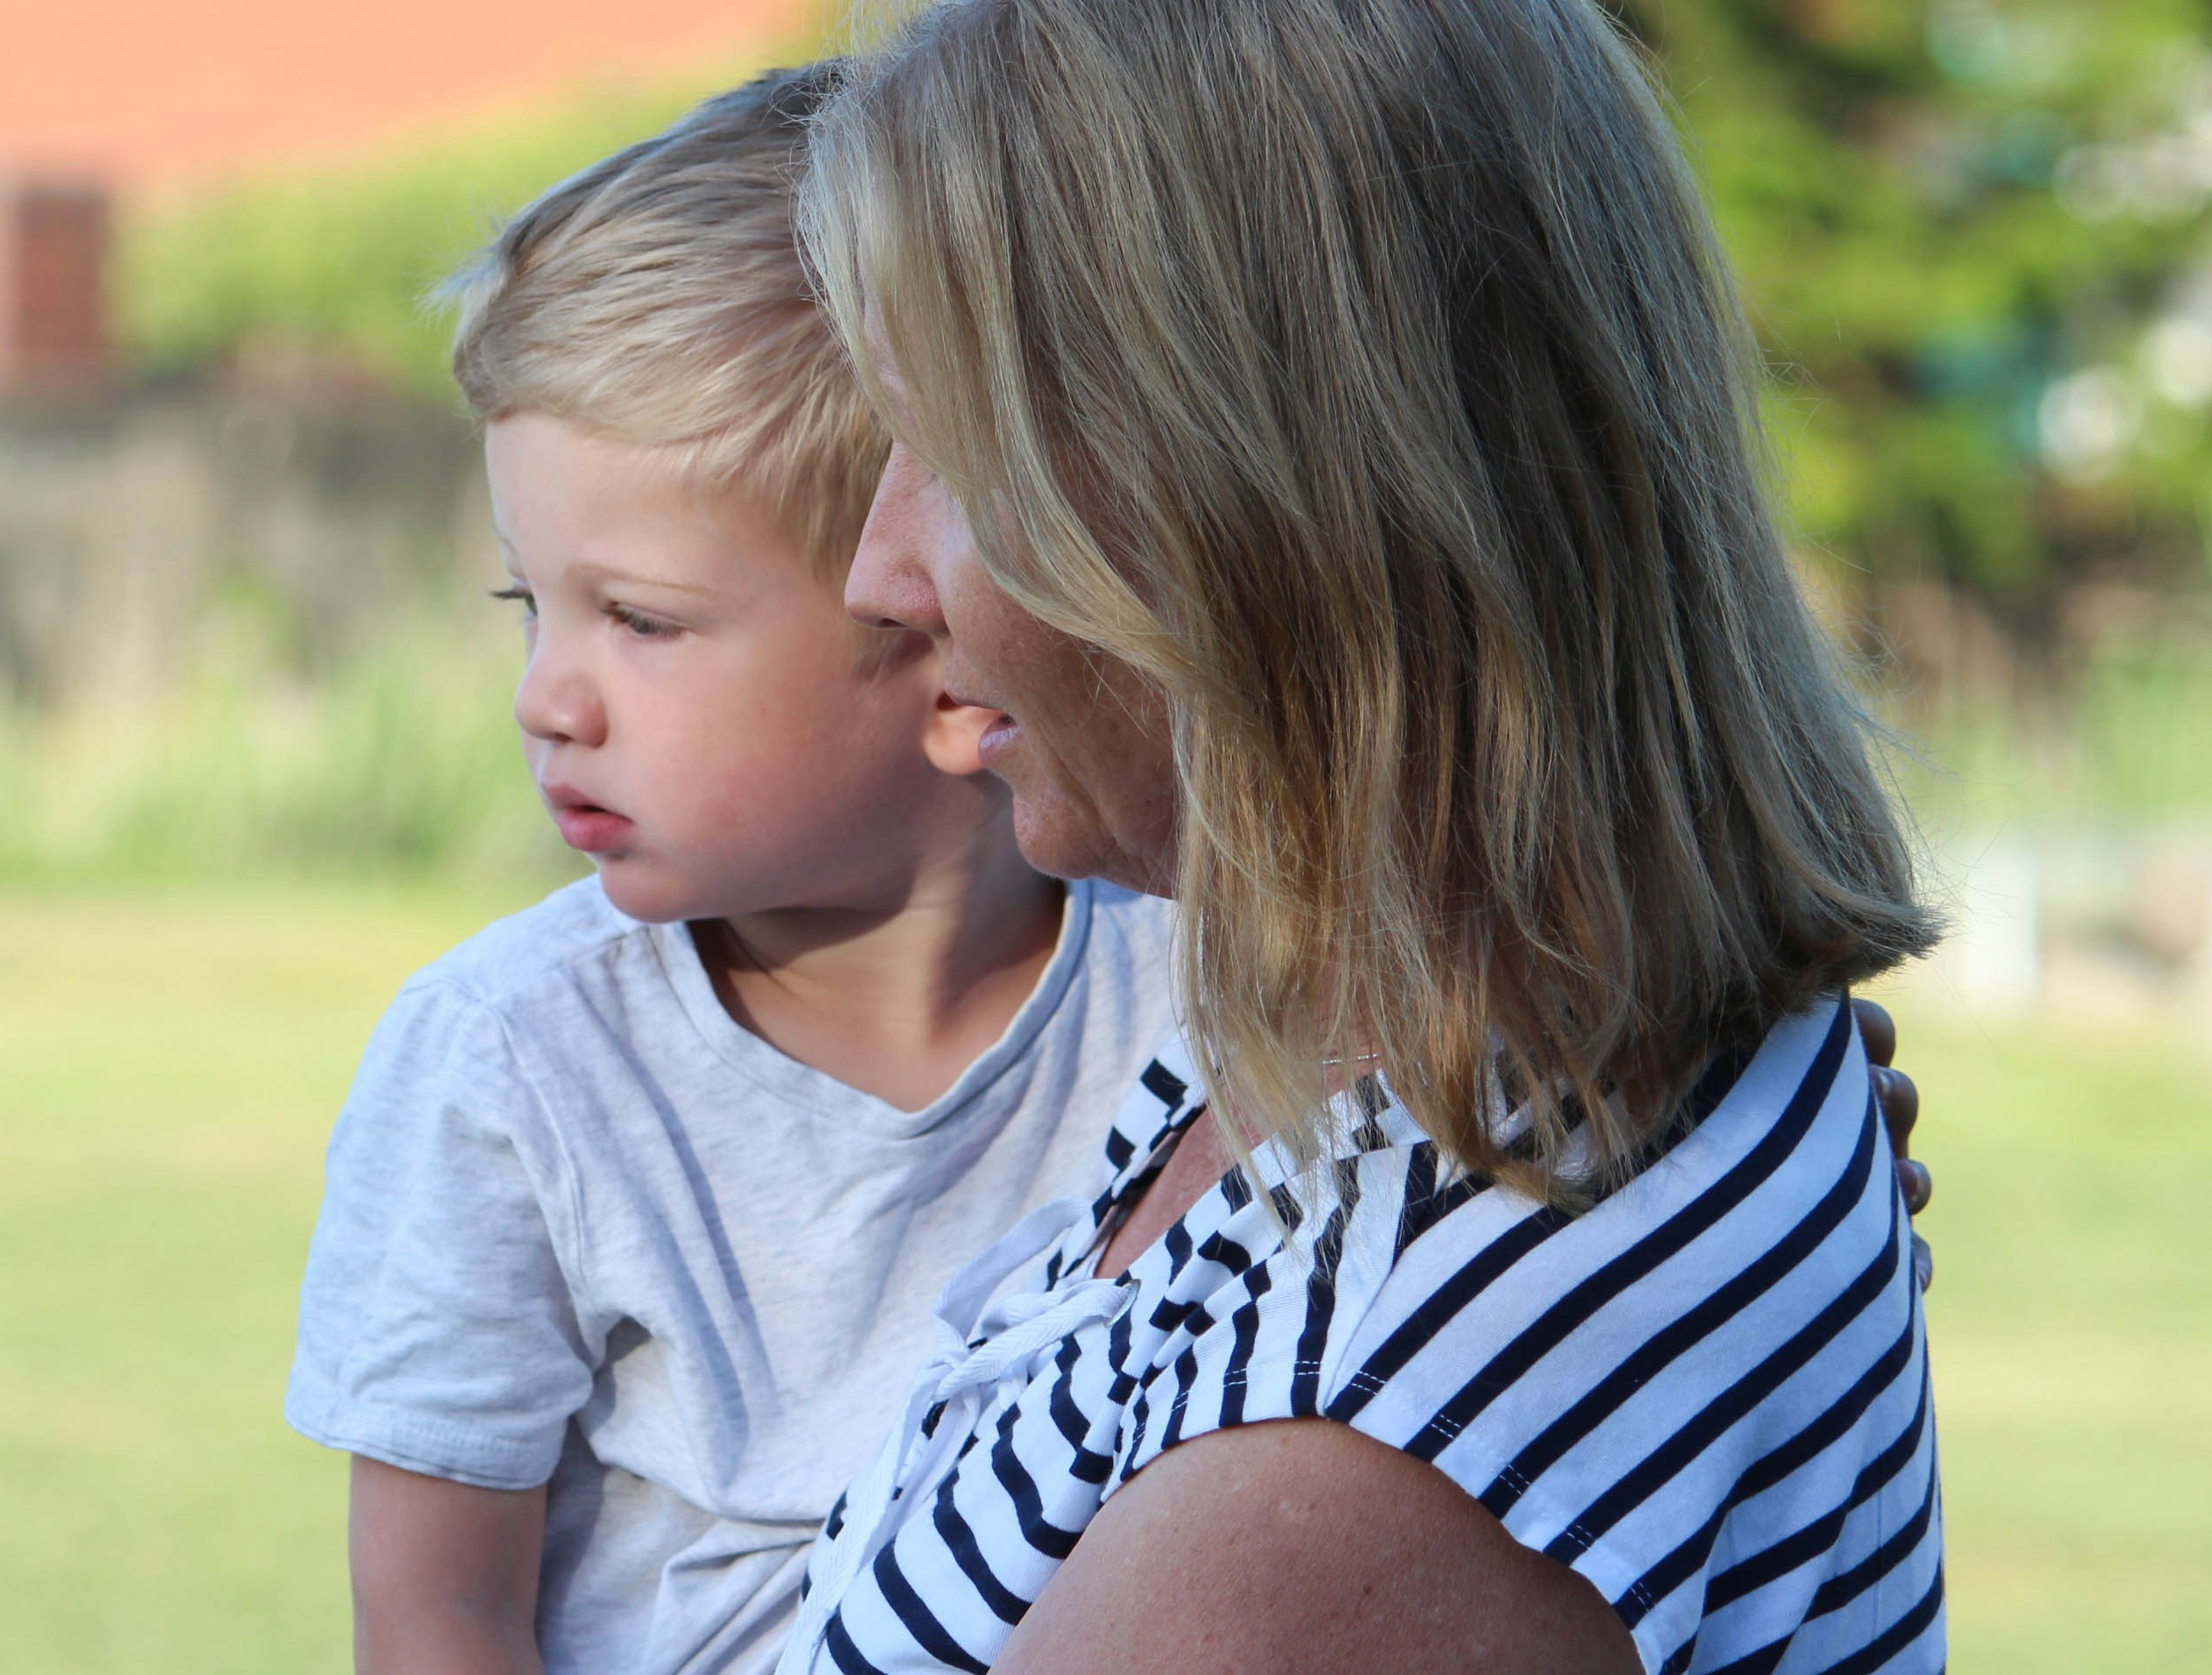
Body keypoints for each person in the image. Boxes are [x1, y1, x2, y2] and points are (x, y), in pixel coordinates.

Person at [779, 0, 1944, 1669]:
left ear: (1263, 506)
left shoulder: (1369, 1452)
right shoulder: (1372, 1048)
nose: (878, 574)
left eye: (958, 453)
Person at [284, 67, 1181, 1674]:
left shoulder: (1197, 998)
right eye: (529, 604)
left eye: (639, 619)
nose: (546, 698)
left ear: (951, 645)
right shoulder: (511, 1063)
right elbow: (433, 1616)